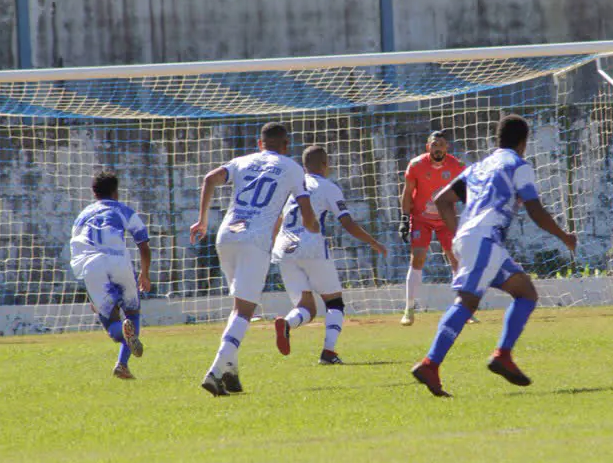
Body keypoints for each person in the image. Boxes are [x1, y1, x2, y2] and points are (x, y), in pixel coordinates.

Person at [410, 115, 577, 397]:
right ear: (523, 142)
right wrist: (564, 236)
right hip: (485, 239)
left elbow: (441, 200)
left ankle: (503, 354)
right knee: (467, 302)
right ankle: (430, 362)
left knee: (525, 292)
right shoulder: (517, 165)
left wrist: (460, 234)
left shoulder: (478, 166)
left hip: (476, 240)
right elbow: (535, 210)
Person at [190, 122, 319, 396]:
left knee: (238, 306)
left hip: (226, 236)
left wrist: (201, 221)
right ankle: (214, 371)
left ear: (260, 144)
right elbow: (305, 210)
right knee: (244, 311)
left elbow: (209, 179)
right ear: (286, 146)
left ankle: (230, 373)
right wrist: (312, 231)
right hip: (255, 240)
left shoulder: (241, 161)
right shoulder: (292, 167)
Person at [271, 145, 387, 365]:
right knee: (334, 302)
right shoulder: (327, 187)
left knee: (306, 308)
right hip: (311, 247)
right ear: (325, 164)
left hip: (283, 249)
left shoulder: (289, 188)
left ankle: (286, 324)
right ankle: (328, 352)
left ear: (304, 166)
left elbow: (276, 221)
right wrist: (373, 242)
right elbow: (347, 223)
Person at [69, 171, 151, 379]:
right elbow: (143, 242)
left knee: (112, 323)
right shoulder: (124, 210)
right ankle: (122, 364)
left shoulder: (82, 217)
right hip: (119, 262)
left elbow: (76, 248)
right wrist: (145, 274)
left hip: (91, 266)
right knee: (133, 313)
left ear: (94, 193)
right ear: (116, 192)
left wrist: (90, 289)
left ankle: (121, 333)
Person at [399, 130, 465, 326]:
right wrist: (404, 218)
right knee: (418, 257)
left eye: (441, 145)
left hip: (446, 219)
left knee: (455, 258)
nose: (437, 148)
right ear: (428, 147)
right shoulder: (416, 165)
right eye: (434, 145)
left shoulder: (457, 166)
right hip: (421, 218)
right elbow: (407, 192)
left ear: (447, 147)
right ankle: (409, 309)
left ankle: (463, 307)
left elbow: (467, 190)